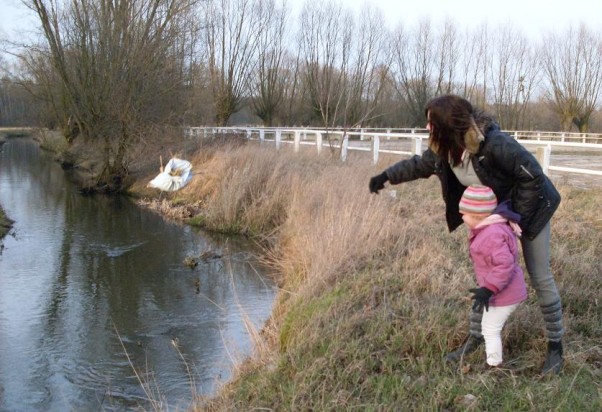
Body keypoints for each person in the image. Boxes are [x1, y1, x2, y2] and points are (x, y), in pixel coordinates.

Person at [369, 94, 564, 374]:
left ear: (448, 124)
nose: (427, 128)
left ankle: (556, 347)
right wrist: (385, 176)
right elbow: (417, 165)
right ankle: (476, 338)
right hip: (494, 220)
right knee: (487, 277)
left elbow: (532, 175)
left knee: (540, 276)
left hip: (531, 211)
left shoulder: (495, 144)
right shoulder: (445, 150)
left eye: (431, 122)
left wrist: (512, 217)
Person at [458, 184, 527, 367]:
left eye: (466, 214)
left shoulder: (492, 234)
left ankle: (494, 365)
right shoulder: (490, 228)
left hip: (505, 292)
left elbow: (504, 264)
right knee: (489, 326)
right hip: (503, 290)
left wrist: (488, 289)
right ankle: (493, 361)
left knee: (490, 329)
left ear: (479, 215)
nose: (463, 217)